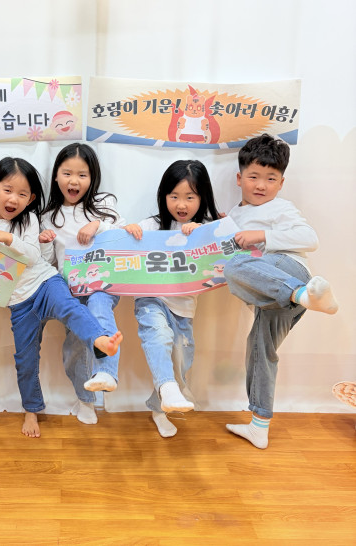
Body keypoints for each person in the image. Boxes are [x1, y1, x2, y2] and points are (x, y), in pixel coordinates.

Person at [0, 157, 123, 438]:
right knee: (25, 359)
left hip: (45, 282)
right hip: (18, 303)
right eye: (8, 190)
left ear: (31, 199)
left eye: (22, 194)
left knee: (70, 308)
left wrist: (8, 238)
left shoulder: (29, 219)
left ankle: (100, 340)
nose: (13, 199)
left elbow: (32, 257)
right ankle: (31, 410)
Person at [224, 133, 338, 449]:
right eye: (254, 177)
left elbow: (310, 238)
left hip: (289, 272)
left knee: (235, 266)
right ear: (239, 178)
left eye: (271, 178)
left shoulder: (281, 208)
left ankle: (304, 295)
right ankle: (259, 427)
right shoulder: (233, 215)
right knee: (260, 350)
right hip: (278, 298)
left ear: (281, 183)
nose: (261, 185)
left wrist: (262, 235)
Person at [124, 160, 221, 438]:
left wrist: (202, 232)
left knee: (181, 361)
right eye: (174, 196)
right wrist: (130, 231)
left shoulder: (205, 227)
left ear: (202, 197)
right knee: (159, 336)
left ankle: (159, 407)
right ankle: (166, 389)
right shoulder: (152, 225)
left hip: (185, 307)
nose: (181, 204)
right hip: (151, 299)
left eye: (190, 197)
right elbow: (121, 239)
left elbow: (225, 247)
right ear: (163, 196)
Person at [40, 143, 125, 425]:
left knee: (100, 310)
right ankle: (85, 399)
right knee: (75, 348)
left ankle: (107, 373)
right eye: (67, 173)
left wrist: (97, 225)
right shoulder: (49, 217)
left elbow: (123, 234)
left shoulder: (103, 204)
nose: (74, 181)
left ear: (93, 177)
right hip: (71, 291)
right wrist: (45, 243)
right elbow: (49, 262)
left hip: (101, 284)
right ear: (56, 176)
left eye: (82, 175)